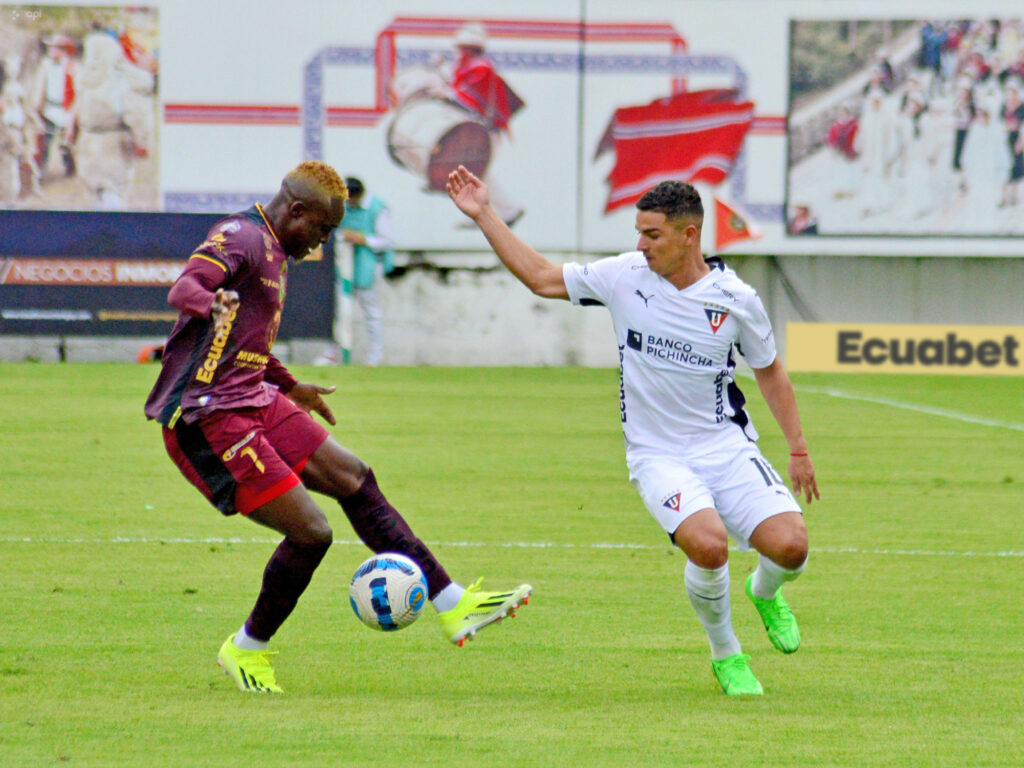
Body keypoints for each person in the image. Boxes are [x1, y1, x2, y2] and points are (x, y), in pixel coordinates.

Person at [144, 161, 530, 693]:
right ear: (295, 211)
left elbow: (246, 342)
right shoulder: (242, 237)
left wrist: (288, 384)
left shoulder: (278, 250)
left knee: (354, 476)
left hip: (253, 396)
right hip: (206, 416)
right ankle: (246, 649)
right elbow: (187, 286)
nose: (321, 244)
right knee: (312, 533)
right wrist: (211, 301)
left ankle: (452, 604)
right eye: (321, 230)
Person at [447, 165, 819, 696]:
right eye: (638, 234)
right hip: (658, 454)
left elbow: (770, 371)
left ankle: (765, 592)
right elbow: (542, 277)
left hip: (726, 446)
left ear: (689, 235)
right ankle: (727, 654)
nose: (641, 246)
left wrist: (799, 449)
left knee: (791, 548)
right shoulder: (623, 277)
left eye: (652, 234)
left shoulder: (736, 300)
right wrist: (484, 213)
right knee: (709, 547)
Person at [447, 22, 524, 225]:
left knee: (477, 172)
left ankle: (507, 211)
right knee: (474, 172)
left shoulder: (480, 68)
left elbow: (466, 98)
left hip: (486, 131)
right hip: (479, 130)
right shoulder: (468, 67)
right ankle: (494, 212)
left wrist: (444, 92)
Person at [317, 176, 395, 366]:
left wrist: (364, 239)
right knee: (336, 311)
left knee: (371, 314)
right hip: (342, 266)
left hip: (367, 266)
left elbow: (388, 241)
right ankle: (332, 353)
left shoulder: (377, 208)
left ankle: (375, 358)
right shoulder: (341, 207)